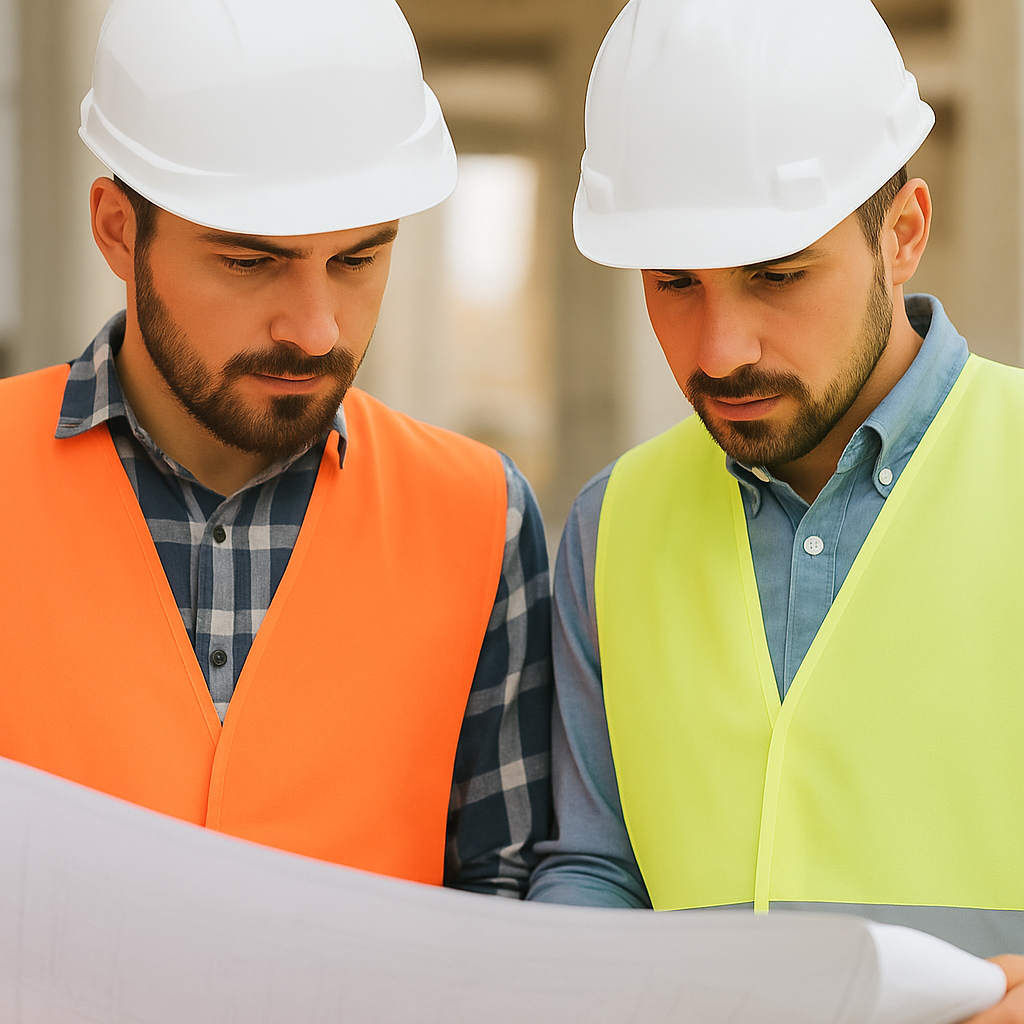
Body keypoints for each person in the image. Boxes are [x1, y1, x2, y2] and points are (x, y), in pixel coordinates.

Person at [527, 0, 1024, 1015]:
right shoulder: (609, 527)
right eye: (675, 283)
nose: (720, 350)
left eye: (778, 276)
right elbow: (596, 865)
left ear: (902, 235)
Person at [0, 0, 551, 898]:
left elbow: (509, 898)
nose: (315, 330)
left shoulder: (484, 517)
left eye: (356, 261)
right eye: (250, 263)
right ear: (118, 231)